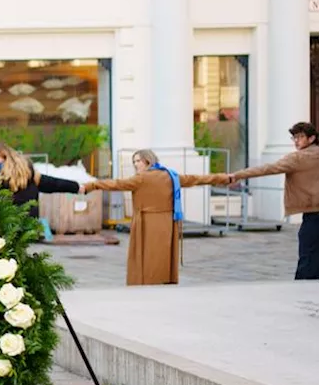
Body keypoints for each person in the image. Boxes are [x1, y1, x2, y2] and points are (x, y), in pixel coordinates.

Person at [82, 150, 230, 286]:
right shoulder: (170, 175)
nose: (135, 164)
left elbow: (115, 184)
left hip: (146, 222)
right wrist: (224, 178)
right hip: (167, 221)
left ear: (147, 160)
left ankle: (146, 283)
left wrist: (91, 185)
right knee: (162, 253)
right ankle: (163, 279)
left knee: (146, 256)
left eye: (137, 161)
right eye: (134, 161)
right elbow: (197, 179)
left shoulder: (141, 178)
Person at [228, 121, 320, 279]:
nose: (297, 141)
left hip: (313, 216)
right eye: (294, 137)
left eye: (300, 137)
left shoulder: (297, 158)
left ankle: (302, 296)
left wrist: (237, 175)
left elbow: (267, 169)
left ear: (311, 138)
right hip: (313, 214)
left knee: (307, 260)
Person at [0, 143, 80, 217]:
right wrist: (77, 187)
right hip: (29, 227)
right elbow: (54, 183)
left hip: (9, 228)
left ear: (7, 158)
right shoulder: (30, 175)